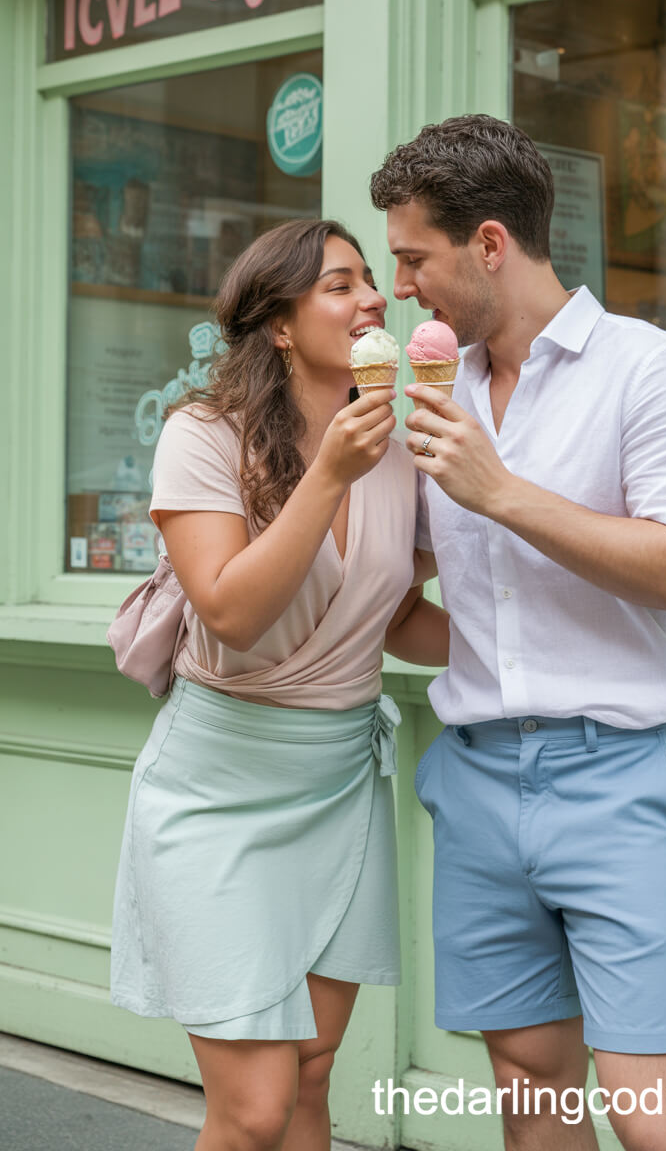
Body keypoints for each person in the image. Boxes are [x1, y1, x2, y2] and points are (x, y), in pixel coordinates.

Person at [370, 116, 666, 1151]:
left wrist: (500, 493)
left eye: (413, 259)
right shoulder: (432, 396)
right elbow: (424, 605)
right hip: (478, 778)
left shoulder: (652, 372)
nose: (401, 289)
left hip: (618, 778)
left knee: (656, 1119)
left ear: (489, 243)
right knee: (531, 1097)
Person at [110, 218, 447, 1151]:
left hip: (338, 783)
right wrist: (330, 473)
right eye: (340, 283)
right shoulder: (203, 435)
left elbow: (395, 619)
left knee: (309, 1077)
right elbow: (230, 611)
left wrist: (531, 639)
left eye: (373, 280)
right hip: (218, 788)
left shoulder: (397, 445)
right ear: (282, 325)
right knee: (254, 1107)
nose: (372, 297)